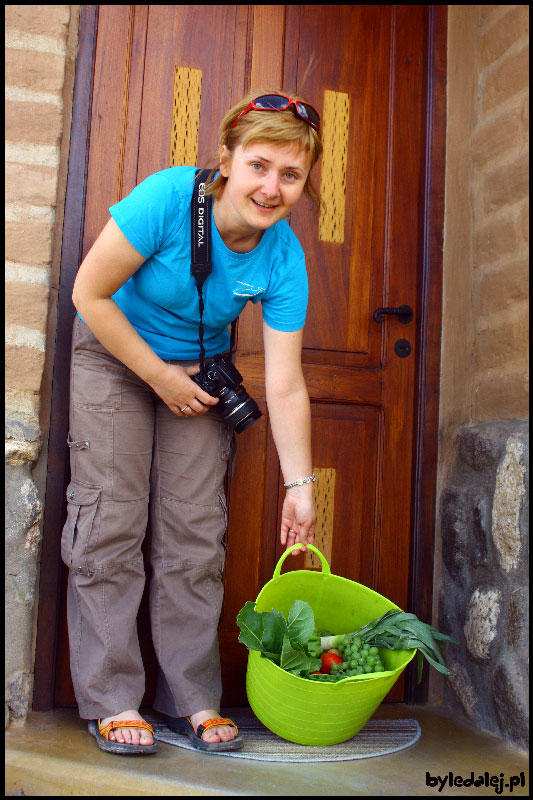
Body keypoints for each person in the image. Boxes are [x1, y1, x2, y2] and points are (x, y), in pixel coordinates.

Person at [63, 90, 322, 755]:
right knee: (109, 522)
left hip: (200, 371)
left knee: (195, 536)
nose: (271, 188)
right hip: (117, 354)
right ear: (227, 159)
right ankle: (113, 697)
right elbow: (89, 294)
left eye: (290, 175)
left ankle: (189, 699)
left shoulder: (282, 256)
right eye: (259, 165)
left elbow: (286, 383)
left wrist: (301, 484)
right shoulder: (167, 198)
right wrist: (157, 376)